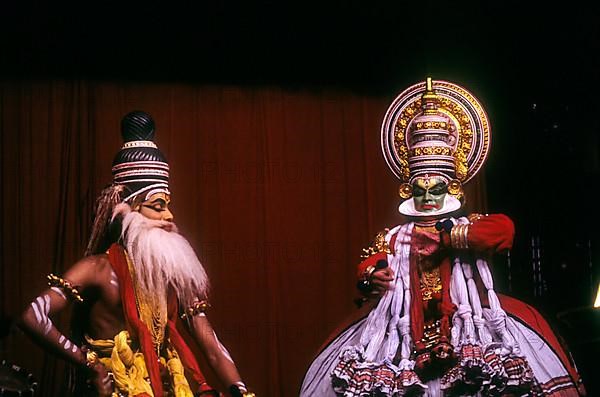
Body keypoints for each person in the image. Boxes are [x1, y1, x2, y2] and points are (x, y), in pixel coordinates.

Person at [301, 79, 586, 396]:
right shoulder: (395, 237)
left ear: (451, 187)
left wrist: (448, 238)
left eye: (435, 189)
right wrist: (373, 276)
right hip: (401, 334)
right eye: (420, 190)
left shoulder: (469, 225)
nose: (427, 198)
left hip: (470, 327)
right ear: (408, 189)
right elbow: (369, 264)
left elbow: (503, 231)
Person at [18, 111, 254, 397]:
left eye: (167, 205)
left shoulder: (172, 277)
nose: (169, 216)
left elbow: (211, 345)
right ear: (127, 210)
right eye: (157, 206)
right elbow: (33, 316)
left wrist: (241, 390)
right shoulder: (99, 269)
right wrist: (90, 365)